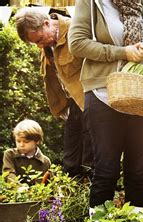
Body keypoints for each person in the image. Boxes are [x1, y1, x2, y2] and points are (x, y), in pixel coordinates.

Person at [68, 0, 143, 210]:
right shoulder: (92, 2)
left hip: (141, 95)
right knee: (106, 170)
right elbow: (76, 43)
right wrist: (123, 52)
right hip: (104, 94)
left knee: (138, 173)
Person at [14, 8, 93, 179]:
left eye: (40, 40)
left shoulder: (76, 30)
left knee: (90, 159)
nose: (40, 46)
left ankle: (94, 201)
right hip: (73, 103)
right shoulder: (47, 44)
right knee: (70, 161)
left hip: (90, 99)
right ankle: (73, 200)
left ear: (47, 23)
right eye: (35, 43)